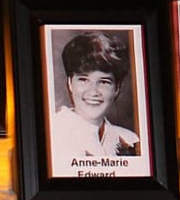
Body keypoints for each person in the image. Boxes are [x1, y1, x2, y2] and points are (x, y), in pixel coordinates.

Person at [49, 30, 141, 168]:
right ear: (70, 84)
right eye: (83, 80)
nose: (93, 92)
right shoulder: (52, 134)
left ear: (117, 88)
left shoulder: (130, 140)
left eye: (104, 82)